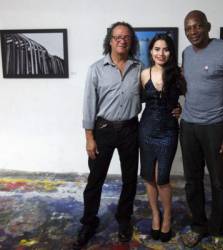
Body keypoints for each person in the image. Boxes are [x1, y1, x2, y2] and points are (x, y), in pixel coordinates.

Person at [180, 10, 223, 247]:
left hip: (216, 127)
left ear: (207, 26)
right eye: (188, 28)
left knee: (218, 181)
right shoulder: (186, 54)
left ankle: (217, 230)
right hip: (188, 127)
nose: (192, 32)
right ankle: (198, 225)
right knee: (192, 181)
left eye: (197, 26)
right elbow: (188, 88)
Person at [73, 21, 142, 249]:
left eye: (126, 37)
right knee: (95, 180)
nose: (122, 40)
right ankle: (89, 222)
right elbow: (88, 105)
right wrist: (89, 138)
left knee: (130, 179)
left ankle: (124, 220)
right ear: (110, 41)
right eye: (117, 37)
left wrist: (173, 107)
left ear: (131, 42)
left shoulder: (139, 68)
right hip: (103, 130)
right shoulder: (96, 69)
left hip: (131, 129)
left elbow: (149, 97)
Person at [139, 33, 186, 242]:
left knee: (162, 178)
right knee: (149, 176)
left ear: (171, 52)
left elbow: (191, 98)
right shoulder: (143, 74)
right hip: (146, 130)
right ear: (151, 51)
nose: (161, 53)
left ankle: (167, 215)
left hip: (168, 132)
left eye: (165, 49)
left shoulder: (179, 74)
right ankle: (155, 215)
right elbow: (136, 102)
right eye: (157, 49)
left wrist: (180, 108)